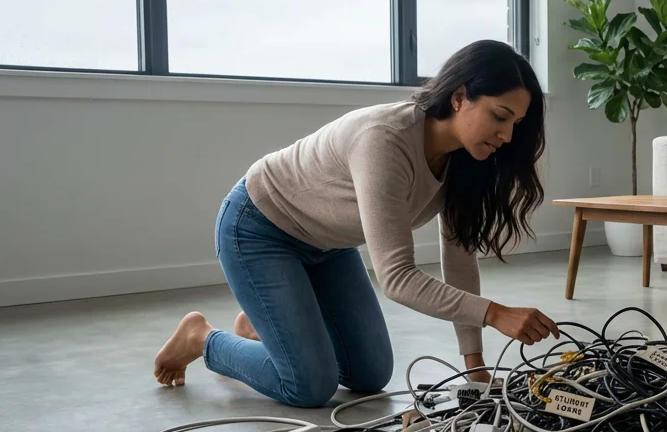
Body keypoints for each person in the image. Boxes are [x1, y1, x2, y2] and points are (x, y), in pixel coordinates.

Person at [153, 40, 559, 407]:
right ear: (459, 97)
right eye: (500, 116)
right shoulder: (385, 139)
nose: (506, 135)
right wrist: (495, 313)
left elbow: (459, 260)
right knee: (309, 386)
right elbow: (397, 277)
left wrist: (473, 363)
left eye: (515, 125)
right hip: (259, 228)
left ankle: (265, 327)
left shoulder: (468, 159)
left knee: (369, 376)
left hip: (328, 245)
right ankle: (201, 337)